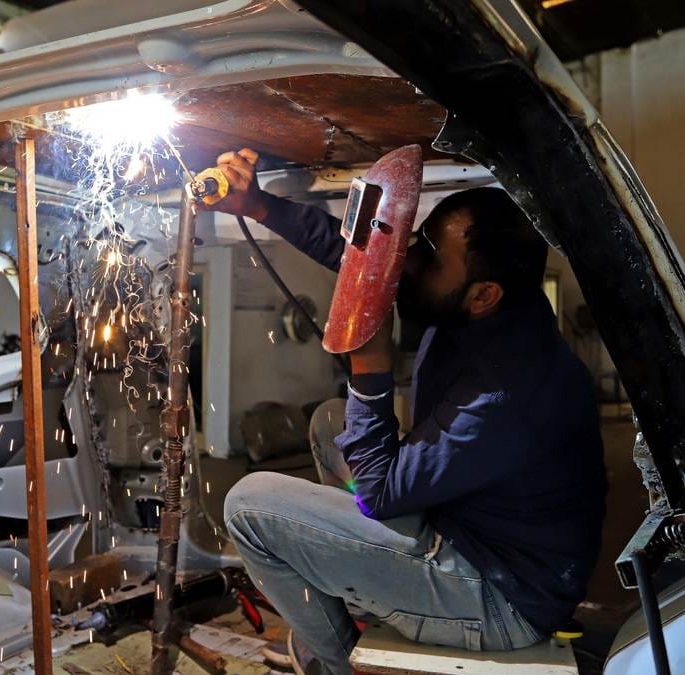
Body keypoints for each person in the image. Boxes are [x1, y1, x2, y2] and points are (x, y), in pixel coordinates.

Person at [208, 148, 607, 675]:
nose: (409, 263)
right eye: (419, 243)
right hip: (470, 530)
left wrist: (370, 374)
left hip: (499, 599)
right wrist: (258, 205)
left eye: (430, 258)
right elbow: (365, 261)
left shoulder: (505, 391)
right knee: (334, 420)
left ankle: (336, 664)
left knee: (248, 506)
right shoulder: (488, 305)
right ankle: (359, 587)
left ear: (482, 293)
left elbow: (376, 494)